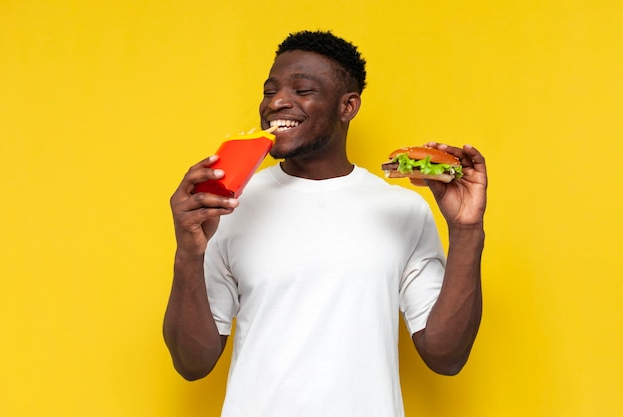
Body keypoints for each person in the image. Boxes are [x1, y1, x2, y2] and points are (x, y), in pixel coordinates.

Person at [164, 30, 487, 417]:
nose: (277, 103)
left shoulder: (401, 209)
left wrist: (467, 231)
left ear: (347, 106)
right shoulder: (230, 204)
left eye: (302, 90)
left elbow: (446, 356)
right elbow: (192, 362)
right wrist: (188, 251)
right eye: (270, 91)